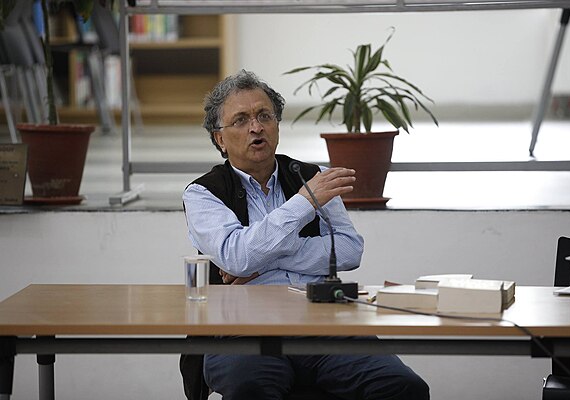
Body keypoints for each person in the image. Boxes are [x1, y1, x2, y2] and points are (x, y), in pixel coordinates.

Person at [182, 70, 429, 400]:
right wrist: (303, 203)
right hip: (243, 331)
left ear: (277, 125)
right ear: (220, 139)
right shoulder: (202, 193)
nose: (256, 127)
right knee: (252, 387)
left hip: (323, 325)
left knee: (403, 387)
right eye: (240, 120)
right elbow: (236, 257)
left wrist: (265, 256)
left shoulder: (312, 176)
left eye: (264, 115)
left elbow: (350, 249)